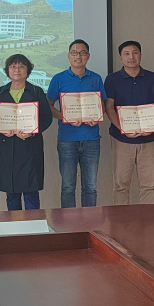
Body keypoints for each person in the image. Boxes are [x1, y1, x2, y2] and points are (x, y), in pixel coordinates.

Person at [0, 54, 53, 210]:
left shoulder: (36, 92)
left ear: (28, 70)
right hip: (7, 147)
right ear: (7, 70)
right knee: (11, 193)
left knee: (31, 192)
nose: (17, 70)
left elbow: (46, 118)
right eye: (13, 67)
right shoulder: (0, 92)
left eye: (21, 67)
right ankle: (14, 224)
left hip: (30, 148)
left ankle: (33, 224)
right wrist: (2, 130)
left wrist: (32, 132)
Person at [104, 40, 154, 205]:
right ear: (120, 57)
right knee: (121, 184)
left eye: (135, 53)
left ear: (140, 55)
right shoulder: (112, 79)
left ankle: (148, 218)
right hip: (121, 139)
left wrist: (153, 127)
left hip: (148, 138)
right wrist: (123, 128)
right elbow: (109, 107)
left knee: (149, 184)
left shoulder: (153, 78)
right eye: (126, 53)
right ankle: (121, 219)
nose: (131, 57)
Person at [47, 39, 106, 207]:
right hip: (67, 139)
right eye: (74, 52)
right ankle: (68, 221)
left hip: (91, 139)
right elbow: (48, 106)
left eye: (82, 53)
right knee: (68, 187)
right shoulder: (58, 79)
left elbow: (102, 105)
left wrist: (97, 115)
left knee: (90, 187)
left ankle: (89, 220)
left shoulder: (96, 78)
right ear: (68, 56)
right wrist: (64, 117)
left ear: (88, 56)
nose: (78, 56)